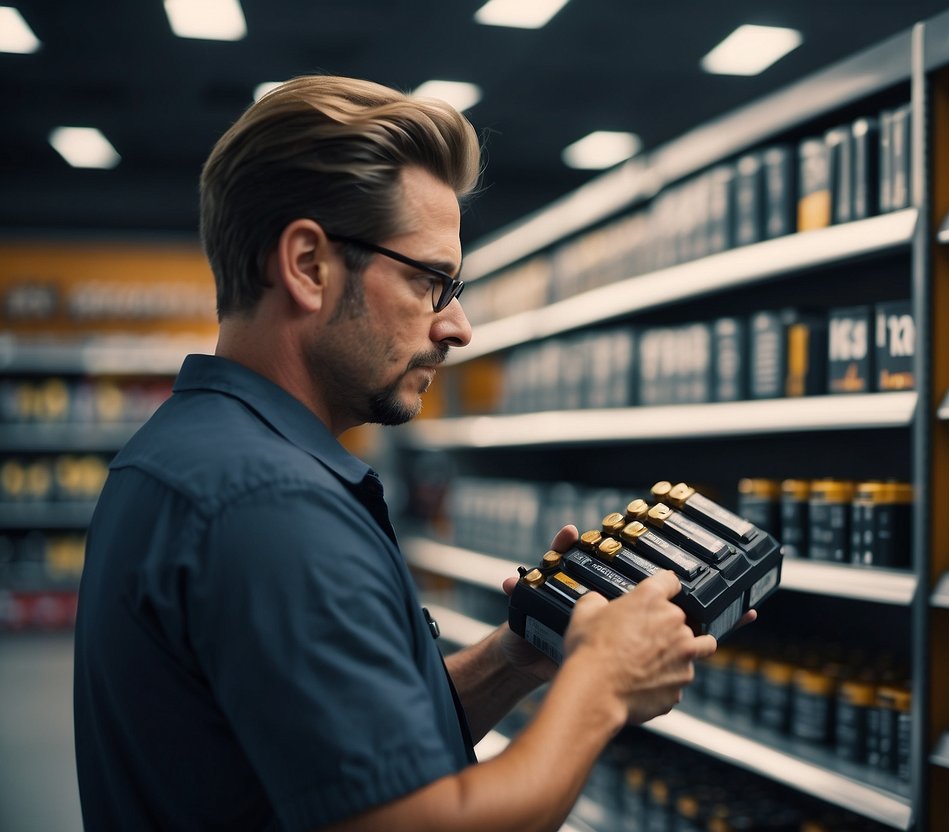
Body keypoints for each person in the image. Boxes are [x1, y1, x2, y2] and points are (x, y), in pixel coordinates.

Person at [73, 75, 735, 832]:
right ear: (309, 266)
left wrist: (514, 659)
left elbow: (348, 756)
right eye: (429, 281)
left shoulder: (185, 455)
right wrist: (603, 684)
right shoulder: (270, 507)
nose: (457, 329)